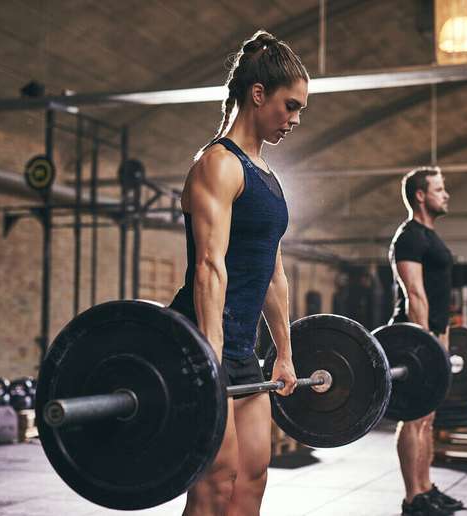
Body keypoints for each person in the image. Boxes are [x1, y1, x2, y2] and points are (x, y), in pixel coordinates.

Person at [169, 30, 308, 516]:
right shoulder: (218, 164)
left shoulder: (267, 176)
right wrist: (212, 357)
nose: (294, 120)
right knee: (214, 482)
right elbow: (209, 266)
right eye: (290, 106)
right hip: (203, 340)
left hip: (243, 347)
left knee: (252, 477)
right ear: (257, 94)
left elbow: (274, 276)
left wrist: (284, 354)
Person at [388, 167, 465, 515]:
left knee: (428, 418)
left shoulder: (431, 236)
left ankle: (426, 487)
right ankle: (412, 498)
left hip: (433, 336)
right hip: (413, 340)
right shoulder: (410, 236)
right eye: (439, 189)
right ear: (421, 195)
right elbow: (414, 294)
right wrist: (430, 344)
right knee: (414, 417)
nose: (445, 194)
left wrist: (443, 338)